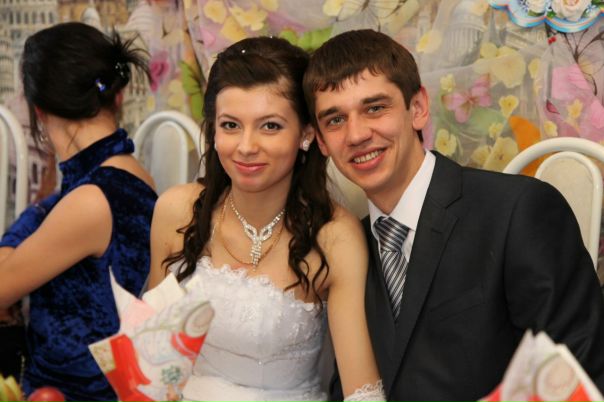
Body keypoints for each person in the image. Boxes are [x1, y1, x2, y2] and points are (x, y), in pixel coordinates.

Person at [303, 29, 604, 402]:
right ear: (321, 141)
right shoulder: (350, 247)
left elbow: (578, 371)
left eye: (375, 108)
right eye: (335, 120)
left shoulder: (516, 211)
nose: (356, 134)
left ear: (418, 108)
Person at [148, 36, 385, 402]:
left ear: (306, 133)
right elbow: (152, 356)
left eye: (270, 126)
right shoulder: (176, 210)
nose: (246, 146)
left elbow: (362, 393)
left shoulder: (334, 237)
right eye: (230, 125)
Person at [0, 22, 157, 401]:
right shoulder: (124, 175)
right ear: (117, 98)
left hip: (71, 393)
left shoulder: (92, 198)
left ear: (39, 111)